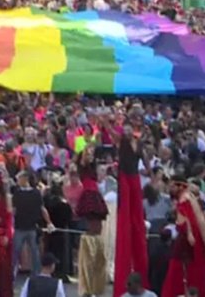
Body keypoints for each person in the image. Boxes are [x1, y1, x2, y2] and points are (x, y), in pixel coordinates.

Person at [160, 180, 205, 297]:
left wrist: (188, 232)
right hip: (197, 245)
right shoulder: (191, 200)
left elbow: (182, 222)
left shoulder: (183, 201)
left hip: (187, 246)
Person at [114, 126, 149, 297]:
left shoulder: (139, 145)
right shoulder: (122, 143)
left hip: (134, 177)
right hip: (124, 178)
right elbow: (114, 135)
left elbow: (146, 162)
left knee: (136, 218)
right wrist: (105, 123)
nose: (128, 132)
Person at [75, 146, 109, 297]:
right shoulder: (83, 167)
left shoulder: (93, 167)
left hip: (94, 192)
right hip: (89, 193)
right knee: (94, 225)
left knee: (99, 225)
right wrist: (86, 153)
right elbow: (83, 159)